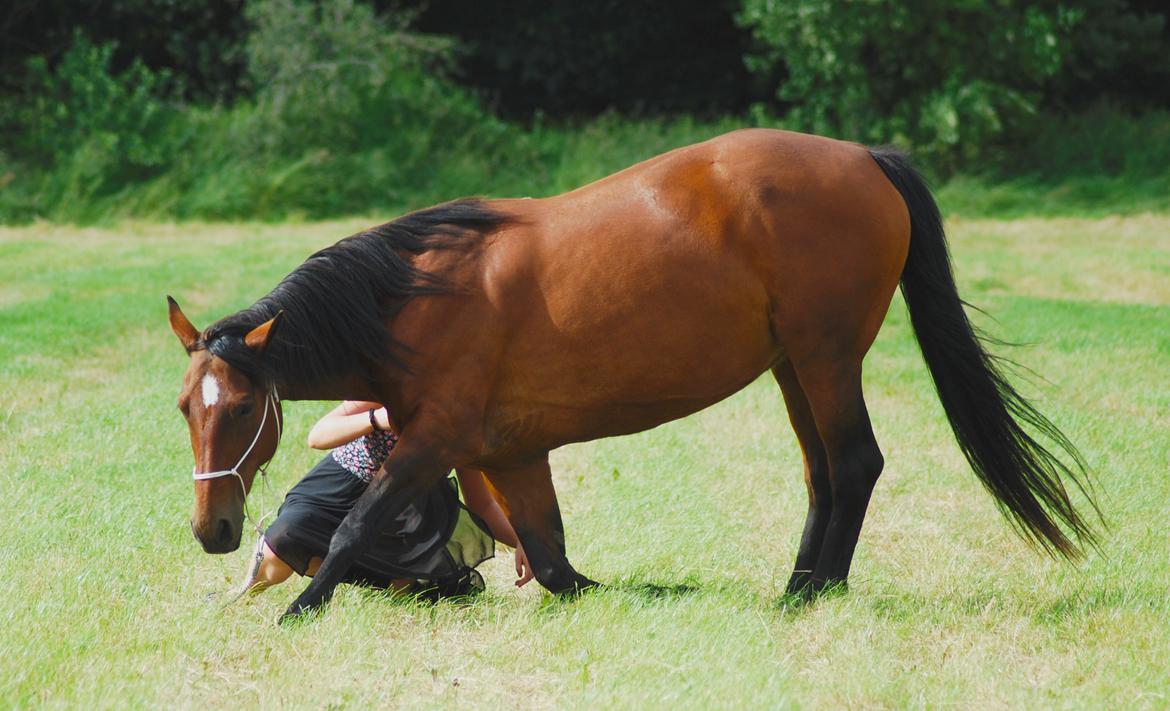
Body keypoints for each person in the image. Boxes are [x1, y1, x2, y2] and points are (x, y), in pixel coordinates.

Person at [249, 401, 532, 597]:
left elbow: (481, 504)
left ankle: (376, 577)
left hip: (405, 514)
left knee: (420, 588)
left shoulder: (463, 420)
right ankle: (241, 592)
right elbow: (317, 435)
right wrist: (378, 418)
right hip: (344, 487)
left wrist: (526, 542)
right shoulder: (393, 382)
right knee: (282, 544)